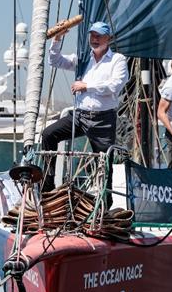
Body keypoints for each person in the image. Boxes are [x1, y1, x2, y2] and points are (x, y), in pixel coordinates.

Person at [40, 21, 129, 192]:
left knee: (104, 163)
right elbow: (55, 61)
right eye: (92, 35)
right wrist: (57, 38)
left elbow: (115, 86)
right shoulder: (83, 58)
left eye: (99, 36)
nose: (94, 39)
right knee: (48, 135)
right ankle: (47, 188)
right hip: (79, 116)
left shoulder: (117, 60)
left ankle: (105, 205)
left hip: (102, 120)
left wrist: (87, 86)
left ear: (108, 39)